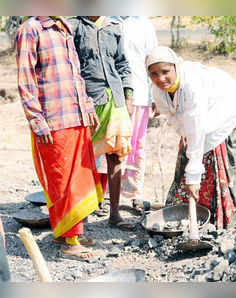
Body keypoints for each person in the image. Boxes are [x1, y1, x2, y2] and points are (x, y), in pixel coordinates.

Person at [15, 16, 103, 260]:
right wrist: (36, 119)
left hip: (75, 114)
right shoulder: (31, 28)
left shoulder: (63, 25)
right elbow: (25, 79)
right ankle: (70, 242)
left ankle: (68, 231)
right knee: (61, 180)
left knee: (79, 178)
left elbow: (76, 74)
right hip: (53, 119)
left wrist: (87, 105)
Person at [146, 46, 236, 229]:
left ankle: (223, 223)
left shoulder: (192, 86)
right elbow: (179, 122)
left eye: (165, 71)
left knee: (214, 160)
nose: (160, 78)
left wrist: (193, 179)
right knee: (189, 153)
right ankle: (187, 218)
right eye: (154, 74)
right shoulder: (158, 90)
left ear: (176, 67)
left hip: (224, 108)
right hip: (196, 120)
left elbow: (197, 130)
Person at [68, 16, 134, 230]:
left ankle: (114, 213)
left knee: (115, 156)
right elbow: (71, 66)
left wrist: (128, 96)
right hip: (87, 101)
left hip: (115, 100)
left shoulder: (114, 27)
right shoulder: (74, 26)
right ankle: (82, 212)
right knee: (83, 159)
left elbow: (123, 63)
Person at [112, 16, 158, 205]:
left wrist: (155, 95)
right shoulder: (106, 19)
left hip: (140, 93)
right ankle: (108, 195)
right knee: (112, 145)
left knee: (136, 146)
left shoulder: (144, 24)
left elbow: (153, 61)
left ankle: (131, 193)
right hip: (111, 95)